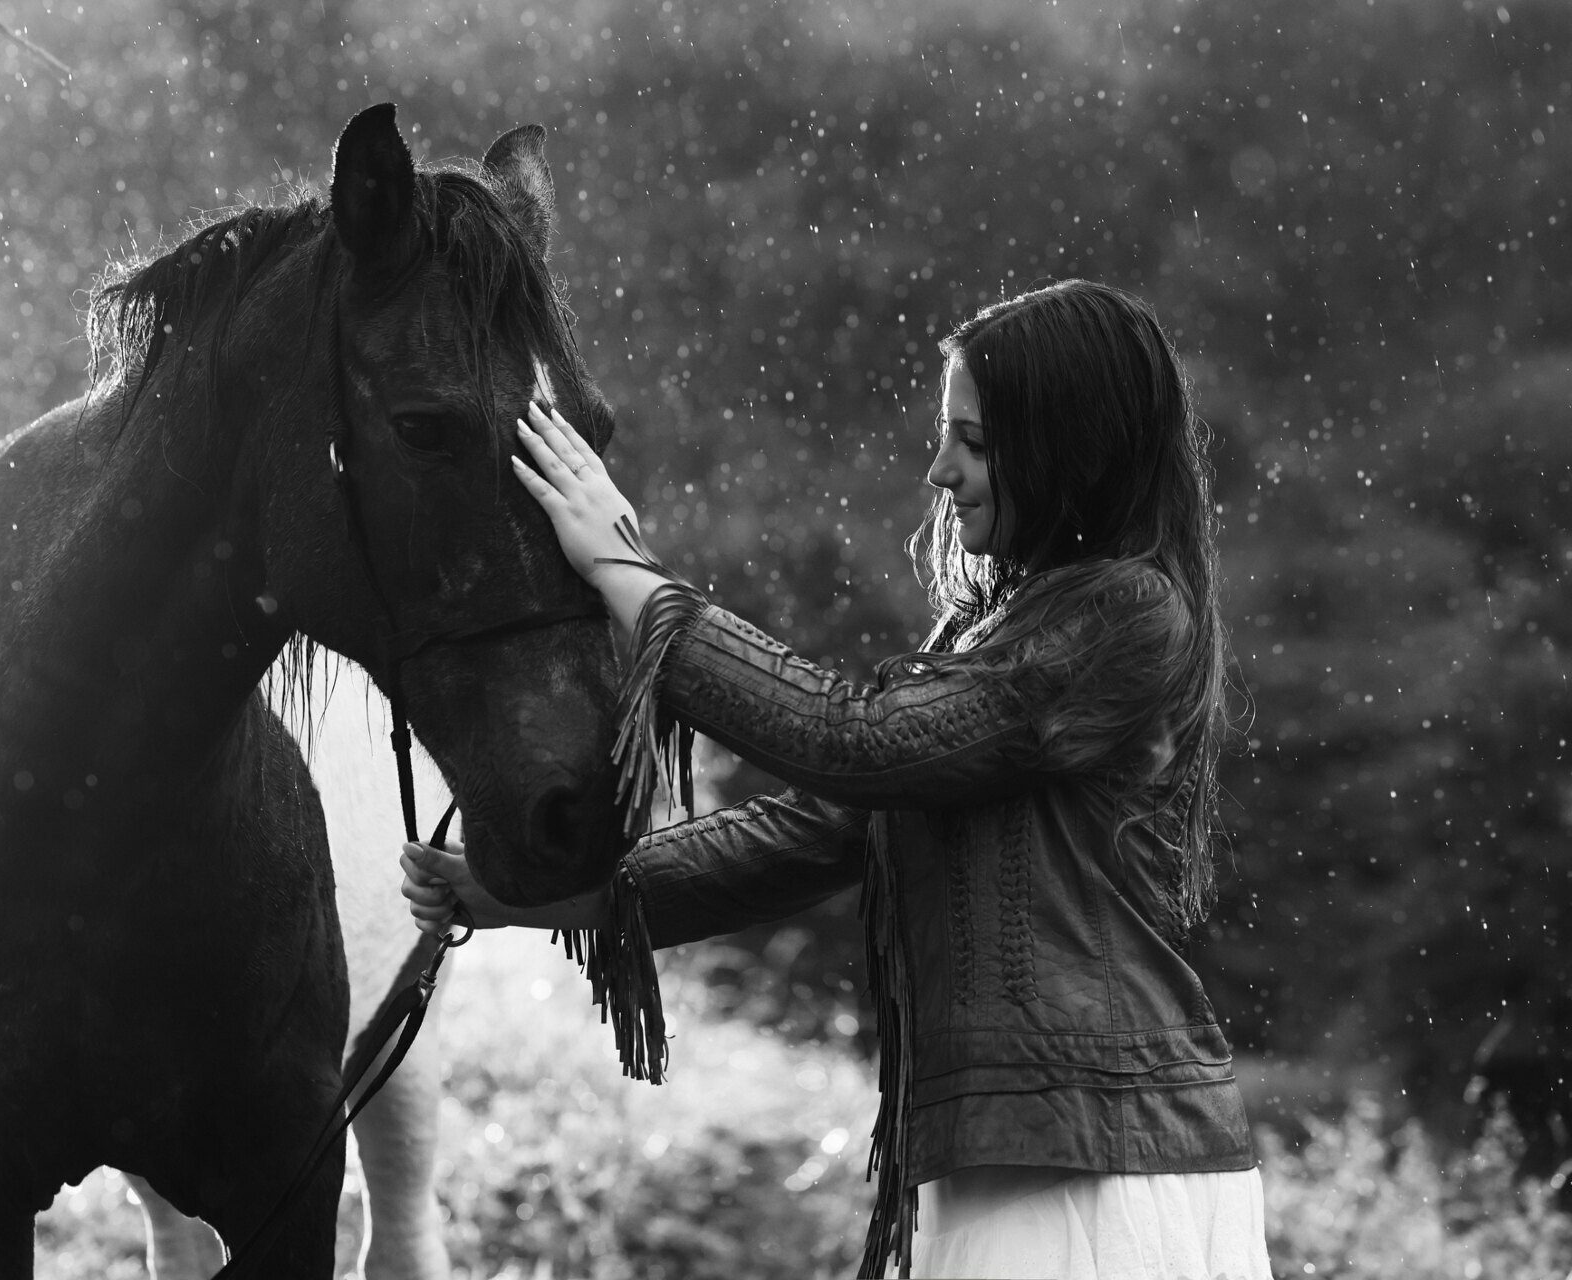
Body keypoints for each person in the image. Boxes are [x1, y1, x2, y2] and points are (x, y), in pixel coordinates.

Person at [401, 279, 1273, 1279]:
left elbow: (854, 741)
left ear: (1071, 446)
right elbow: (810, 831)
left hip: (1098, 1173)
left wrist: (626, 575)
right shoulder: (1007, 631)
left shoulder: (1121, 617)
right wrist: (526, 889)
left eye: (976, 442)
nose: (942, 471)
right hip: (1026, 1163)